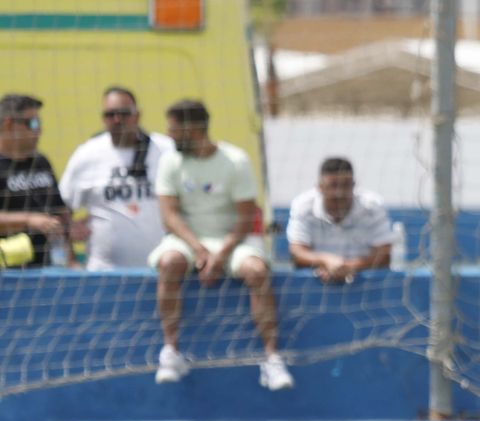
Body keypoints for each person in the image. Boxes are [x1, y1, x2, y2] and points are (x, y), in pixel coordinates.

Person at [149, 99, 292, 390]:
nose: (169, 135)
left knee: (256, 271)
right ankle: (171, 352)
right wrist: (200, 250)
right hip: (187, 240)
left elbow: (246, 217)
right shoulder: (170, 162)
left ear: (193, 129)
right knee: (170, 262)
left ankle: (272, 359)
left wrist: (220, 255)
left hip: (232, 240)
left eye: (174, 129)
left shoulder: (235, 160)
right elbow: (169, 216)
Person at [58, 86, 174, 271]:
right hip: (104, 272)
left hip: (161, 271)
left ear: (137, 115)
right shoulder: (87, 154)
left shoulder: (165, 150)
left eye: (124, 113)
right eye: (110, 114)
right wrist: (70, 256)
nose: (117, 120)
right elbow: (61, 208)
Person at [286, 156, 395, 284]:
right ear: (320, 187)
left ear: (354, 185)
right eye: (333, 185)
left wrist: (343, 267)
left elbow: (384, 256)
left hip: (367, 287)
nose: (339, 193)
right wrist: (325, 260)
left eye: (345, 185)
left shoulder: (373, 206)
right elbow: (296, 253)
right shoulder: (303, 206)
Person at [0, 94, 73, 268]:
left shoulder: (41, 162)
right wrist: (29, 220)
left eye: (39, 123)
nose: (39, 130)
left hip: (49, 270)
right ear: (9, 124)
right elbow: (35, 220)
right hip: (7, 274)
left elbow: (60, 213)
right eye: (32, 123)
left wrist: (72, 261)